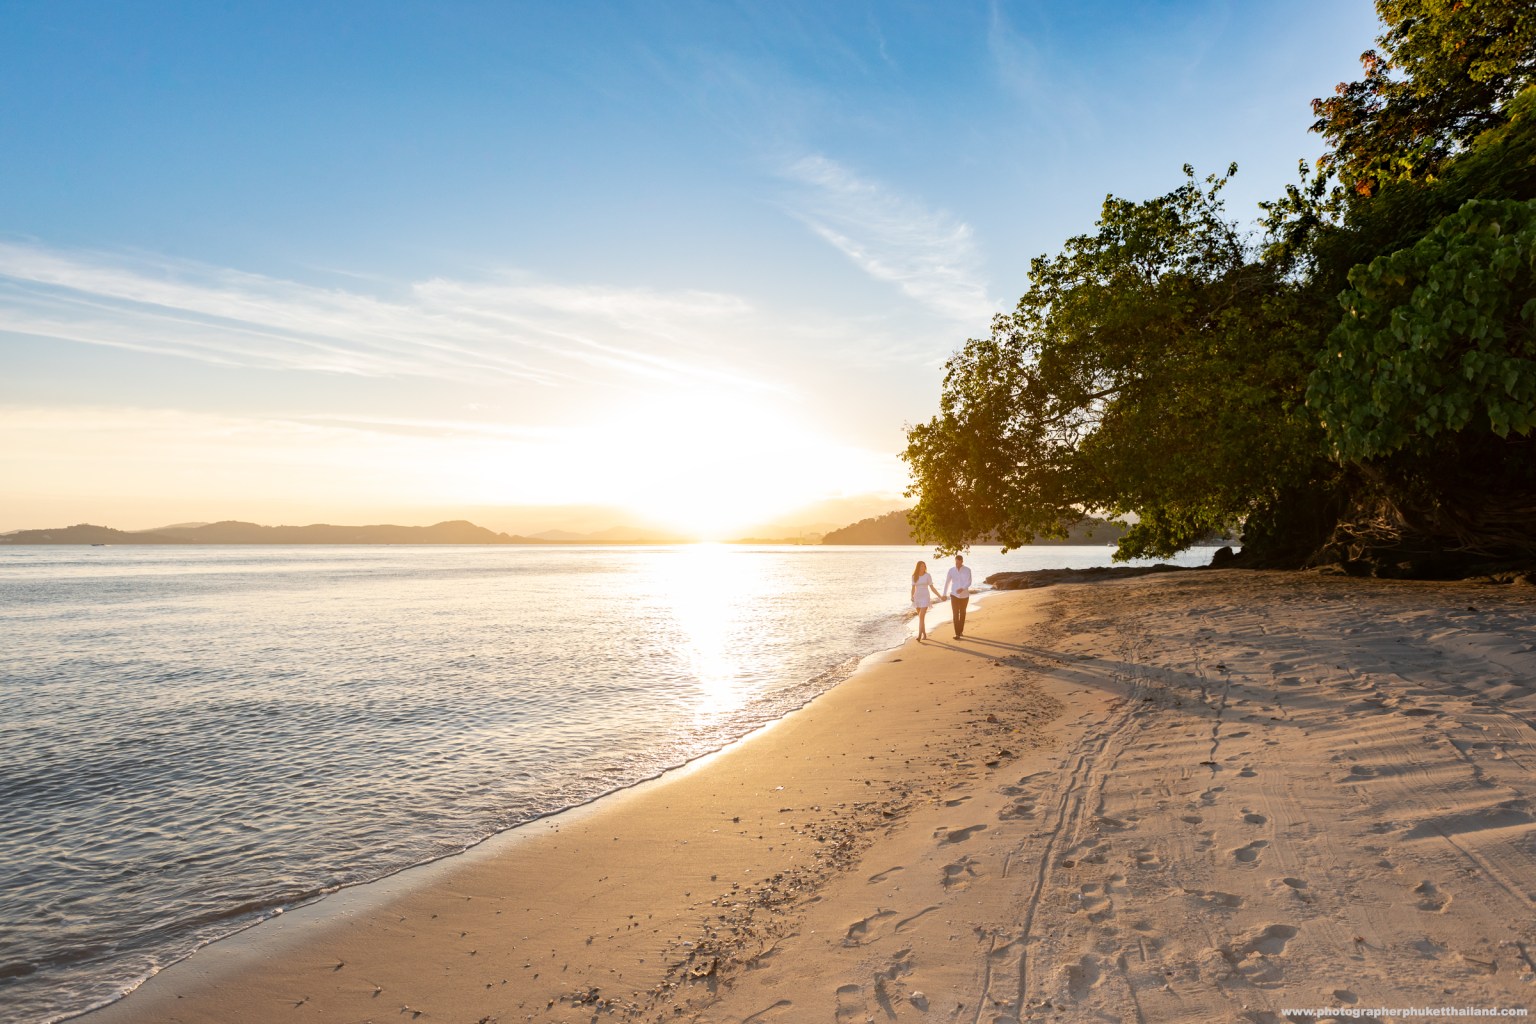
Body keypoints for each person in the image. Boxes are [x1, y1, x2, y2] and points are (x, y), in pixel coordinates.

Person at [910, 560, 942, 641]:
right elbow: (913, 588)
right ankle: (924, 634)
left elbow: (932, 588)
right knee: (921, 618)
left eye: (924, 566)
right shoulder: (914, 576)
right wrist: (912, 596)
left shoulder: (928, 575)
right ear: (918, 567)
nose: (923, 567)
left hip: (925, 597)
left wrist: (939, 596)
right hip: (917, 597)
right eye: (922, 566)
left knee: (921, 616)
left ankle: (919, 635)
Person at [944, 554, 973, 638]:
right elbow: (947, 582)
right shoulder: (951, 570)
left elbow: (969, 582)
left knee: (963, 613)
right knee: (955, 614)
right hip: (954, 595)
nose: (957, 565)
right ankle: (957, 633)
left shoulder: (967, 570)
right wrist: (944, 594)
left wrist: (962, 588)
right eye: (956, 563)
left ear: (962, 562)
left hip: (964, 595)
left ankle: (960, 631)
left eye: (959, 563)